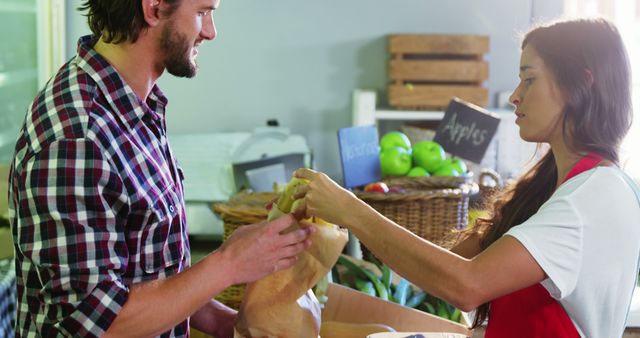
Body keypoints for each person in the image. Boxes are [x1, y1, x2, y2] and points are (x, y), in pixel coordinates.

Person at [294, 17, 640, 337]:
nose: (515, 95)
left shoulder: (594, 197)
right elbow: (453, 263)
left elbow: (466, 285)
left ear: (582, 82)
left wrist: (351, 210)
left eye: (530, 79)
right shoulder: (556, 188)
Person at [8, 0, 314, 337]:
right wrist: (229, 263)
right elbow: (92, 325)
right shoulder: (77, 138)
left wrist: (233, 327)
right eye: (202, 12)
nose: (211, 32)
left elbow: (152, 276)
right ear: (153, 8)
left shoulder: (136, 104)